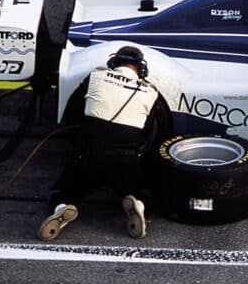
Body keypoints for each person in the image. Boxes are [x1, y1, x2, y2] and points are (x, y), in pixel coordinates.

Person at [38, 46, 164, 240]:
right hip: (126, 162)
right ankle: (138, 203)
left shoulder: (96, 76)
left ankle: (62, 207)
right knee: (144, 190)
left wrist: (79, 147)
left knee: (60, 191)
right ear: (140, 69)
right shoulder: (150, 91)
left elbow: (71, 115)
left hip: (90, 157)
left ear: (114, 63)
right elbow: (150, 134)